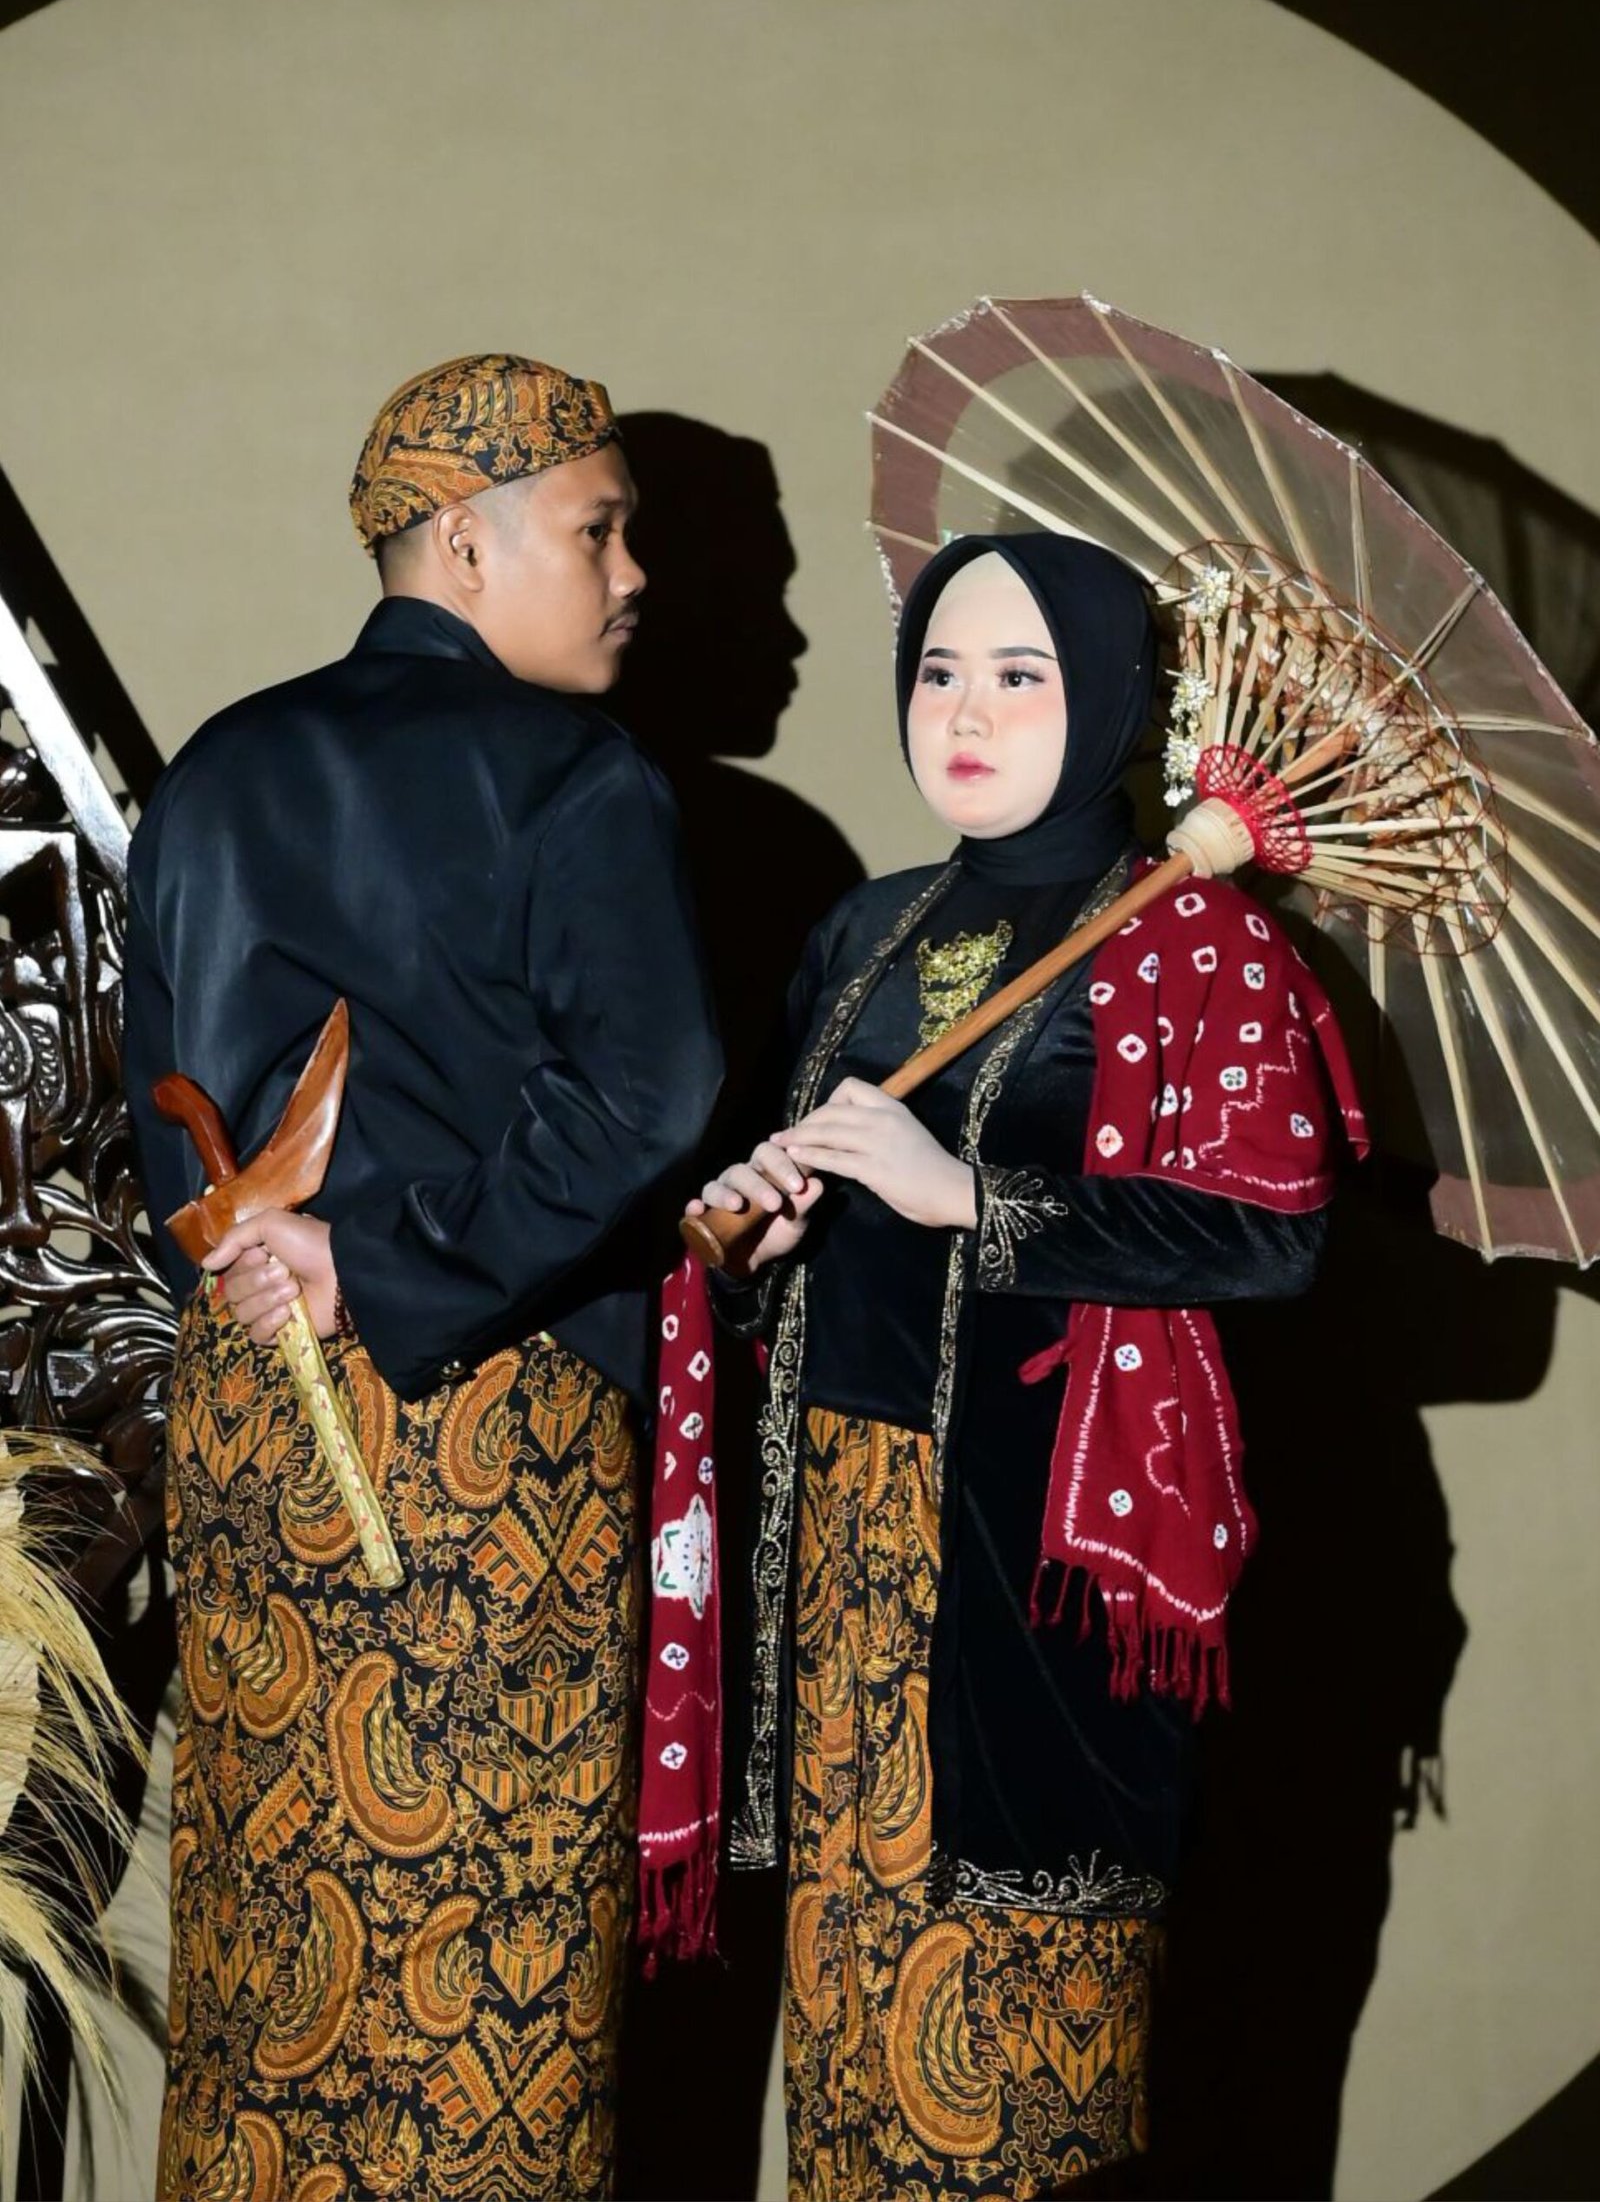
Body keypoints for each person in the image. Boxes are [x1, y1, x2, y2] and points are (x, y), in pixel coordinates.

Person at [688, 534, 1364, 2199]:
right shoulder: (863, 930)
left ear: (1116, 701)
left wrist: (971, 1195)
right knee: (847, 2060)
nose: (965, 712)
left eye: (1019, 676)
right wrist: (759, 1249)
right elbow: (808, 1235)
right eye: (937, 671)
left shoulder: (1200, 941)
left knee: (1018, 2073)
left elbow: (1273, 1230)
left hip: (1033, 1569)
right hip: (841, 1562)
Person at [123, 352, 722, 2201]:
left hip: (250, 1440)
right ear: (463, 545)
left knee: (270, 1981)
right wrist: (394, 1260)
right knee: (484, 1994)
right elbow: (654, 1091)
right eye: (598, 530)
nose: (634, 573)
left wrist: (295, 1261)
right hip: (487, 1453)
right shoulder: (574, 774)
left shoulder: (214, 771)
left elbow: (168, 1144)